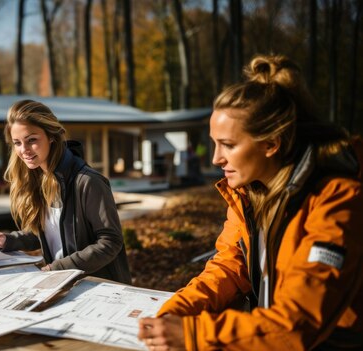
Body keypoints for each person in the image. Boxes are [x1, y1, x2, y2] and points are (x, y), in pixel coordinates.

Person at [138, 54, 363, 350]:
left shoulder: (337, 200)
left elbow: (300, 322)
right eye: (215, 142)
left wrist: (193, 334)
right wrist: (178, 309)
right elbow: (230, 267)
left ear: (271, 143)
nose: (216, 158)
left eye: (228, 145)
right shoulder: (250, 193)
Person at [0, 100, 131, 284]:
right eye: (17, 143)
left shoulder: (88, 182)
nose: (24, 150)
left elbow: (110, 242)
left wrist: (59, 267)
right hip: (61, 282)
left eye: (32, 140)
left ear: (51, 136)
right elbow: (48, 233)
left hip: (97, 287)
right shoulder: (39, 178)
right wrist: (8, 240)